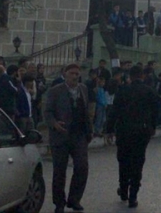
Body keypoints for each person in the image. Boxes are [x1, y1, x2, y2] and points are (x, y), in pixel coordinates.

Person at [106, 65, 158, 208]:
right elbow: (156, 112)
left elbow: (114, 112)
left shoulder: (122, 91)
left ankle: (123, 190)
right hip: (142, 132)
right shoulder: (149, 91)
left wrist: (109, 130)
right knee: (138, 161)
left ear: (130, 76)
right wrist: (152, 127)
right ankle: (133, 195)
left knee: (123, 161)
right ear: (142, 76)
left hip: (124, 131)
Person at [44, 63, 92, 213]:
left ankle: (74, 199)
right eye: (72, 73)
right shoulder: (55, 91)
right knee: (59, 171)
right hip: (61, 136)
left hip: (79, 135)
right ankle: (59, 202)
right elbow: (47, 112)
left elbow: (86, 112)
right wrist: (54, 124)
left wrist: (89, 131)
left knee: (82, 167)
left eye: (77, 73)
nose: (75, 76)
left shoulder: (83, 89)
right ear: (65, 74)